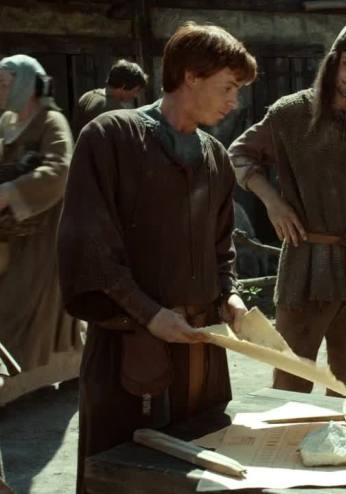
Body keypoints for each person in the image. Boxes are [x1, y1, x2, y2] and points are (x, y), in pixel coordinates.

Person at [57, 23, 256, 493]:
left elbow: (221, 249)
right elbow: (89, 250)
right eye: (228, 87)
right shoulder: (110, 137)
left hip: (200, 356)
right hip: (131, 353)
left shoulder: (215, 157)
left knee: (198, 477)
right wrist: (149, 314)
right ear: (191, 76)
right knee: (125, 477)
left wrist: (229, 296)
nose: (234, 102)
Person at [228, 21, 346, 395]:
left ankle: (342, 434)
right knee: (291, 380)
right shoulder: (291, 113)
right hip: (306, 261)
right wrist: (273, 203)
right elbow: (238, 154)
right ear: (334, 61)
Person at [0, 55, 83, 404]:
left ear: (25, 85)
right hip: (11, 230)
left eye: (4, 84)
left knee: (21, 302)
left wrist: (10, 192)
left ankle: (18, 380)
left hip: (44, 229)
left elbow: (60, 170)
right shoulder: (6, 123)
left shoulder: (51, 121)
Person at [71, 59, 148, 135]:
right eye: (136, 90)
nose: (135, 95)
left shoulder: (87, 96)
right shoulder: (114, 111)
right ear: (123, 86)